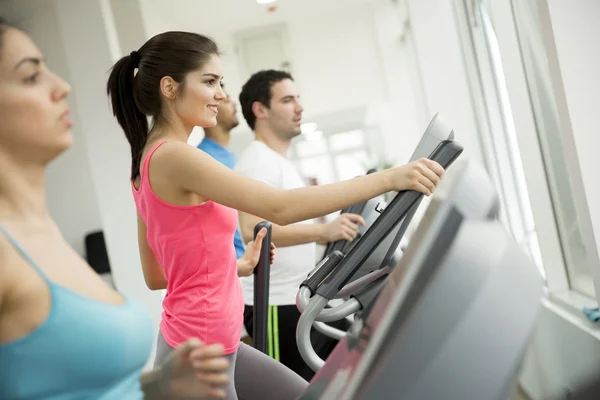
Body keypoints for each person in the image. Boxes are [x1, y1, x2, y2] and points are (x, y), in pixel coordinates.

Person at [106, 31, 444, 400]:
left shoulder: (147, 160)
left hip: (211, 341)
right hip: (200, 353)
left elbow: (158, 275)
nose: (221, 93)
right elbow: (279, 207)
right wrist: (388, 178)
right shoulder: (175, 156)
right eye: (209, 82)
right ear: (170, 87)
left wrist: (237, 264)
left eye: (221, 82)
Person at [0, 17, 230, 400]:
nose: (62, 87)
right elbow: (279, 206)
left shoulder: (41, 232)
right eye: (30, 77)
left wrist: (158, 388)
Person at [236, 69, 364, 380]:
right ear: (260, 110)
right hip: (274, 306)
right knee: (292, 389)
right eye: (288, 99)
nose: (299, 107)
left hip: (298, 299)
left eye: (298, 99)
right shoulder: (258, 160)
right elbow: (253, 229)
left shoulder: (279, 162)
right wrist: (324, 232)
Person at [197, 88, 245, 260]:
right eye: (225, 100)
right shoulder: (203, 159)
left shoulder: (230, 157)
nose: (233, 102)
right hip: (232, 263)